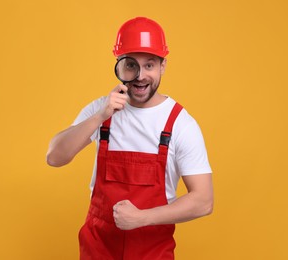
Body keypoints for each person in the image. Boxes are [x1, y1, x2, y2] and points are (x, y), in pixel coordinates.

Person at [46, 17, 214, 260]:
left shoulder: (180, 124)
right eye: (131, 65)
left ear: (162, 66)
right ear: (119, 66)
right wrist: (101, 116)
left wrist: (142, 218)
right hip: (98, 248)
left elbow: (203, 201)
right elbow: (54, 157)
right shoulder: (101, 109)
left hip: (151, 250)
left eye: (149, 65)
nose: (140, 75)